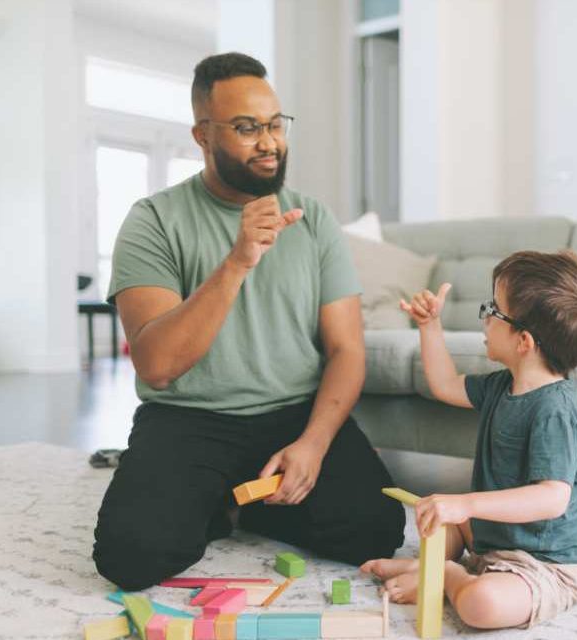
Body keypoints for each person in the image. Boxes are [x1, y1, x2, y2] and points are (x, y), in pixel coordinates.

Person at [92, 52, 404, 591]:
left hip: (293, 415)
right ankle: (222, 501)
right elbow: (158, 365)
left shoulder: (315, 219)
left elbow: (346, 349)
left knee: (376, 529)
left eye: (275, 124)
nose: (269, 142)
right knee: (131, 556)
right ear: (202, 135)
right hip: (190, 418)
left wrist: (314, 444)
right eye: (246, 128)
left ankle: (241, 504)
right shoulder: (153, 221)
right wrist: (236, 262)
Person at [361, 250, 577, 629]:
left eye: (492, 310)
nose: (484, 318)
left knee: (481, 606)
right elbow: (445, 385)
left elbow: (552, 497)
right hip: (489, 538)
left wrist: (465, 503)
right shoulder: (503, 385)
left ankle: (446, 575)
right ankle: (431, 566)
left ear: (524, 341)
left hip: (541, 563)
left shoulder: (554, 410)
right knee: (439, 521)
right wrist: (430, 326)